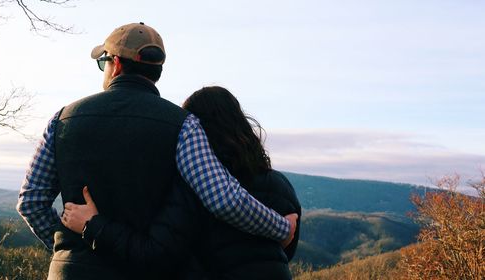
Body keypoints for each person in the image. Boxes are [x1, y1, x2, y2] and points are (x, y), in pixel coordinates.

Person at [16, 22, 297, 279]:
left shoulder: (63, 118)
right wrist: (281, 229)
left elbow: (30, 202)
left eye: (103, 62)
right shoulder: (183, 125)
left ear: (115, 64)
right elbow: (222, 198)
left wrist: (70, 246)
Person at [62, 86, 302, 280]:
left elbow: (154, 255)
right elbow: (285, 252)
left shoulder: (191, 188)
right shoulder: (279, 184)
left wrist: (94, 226)